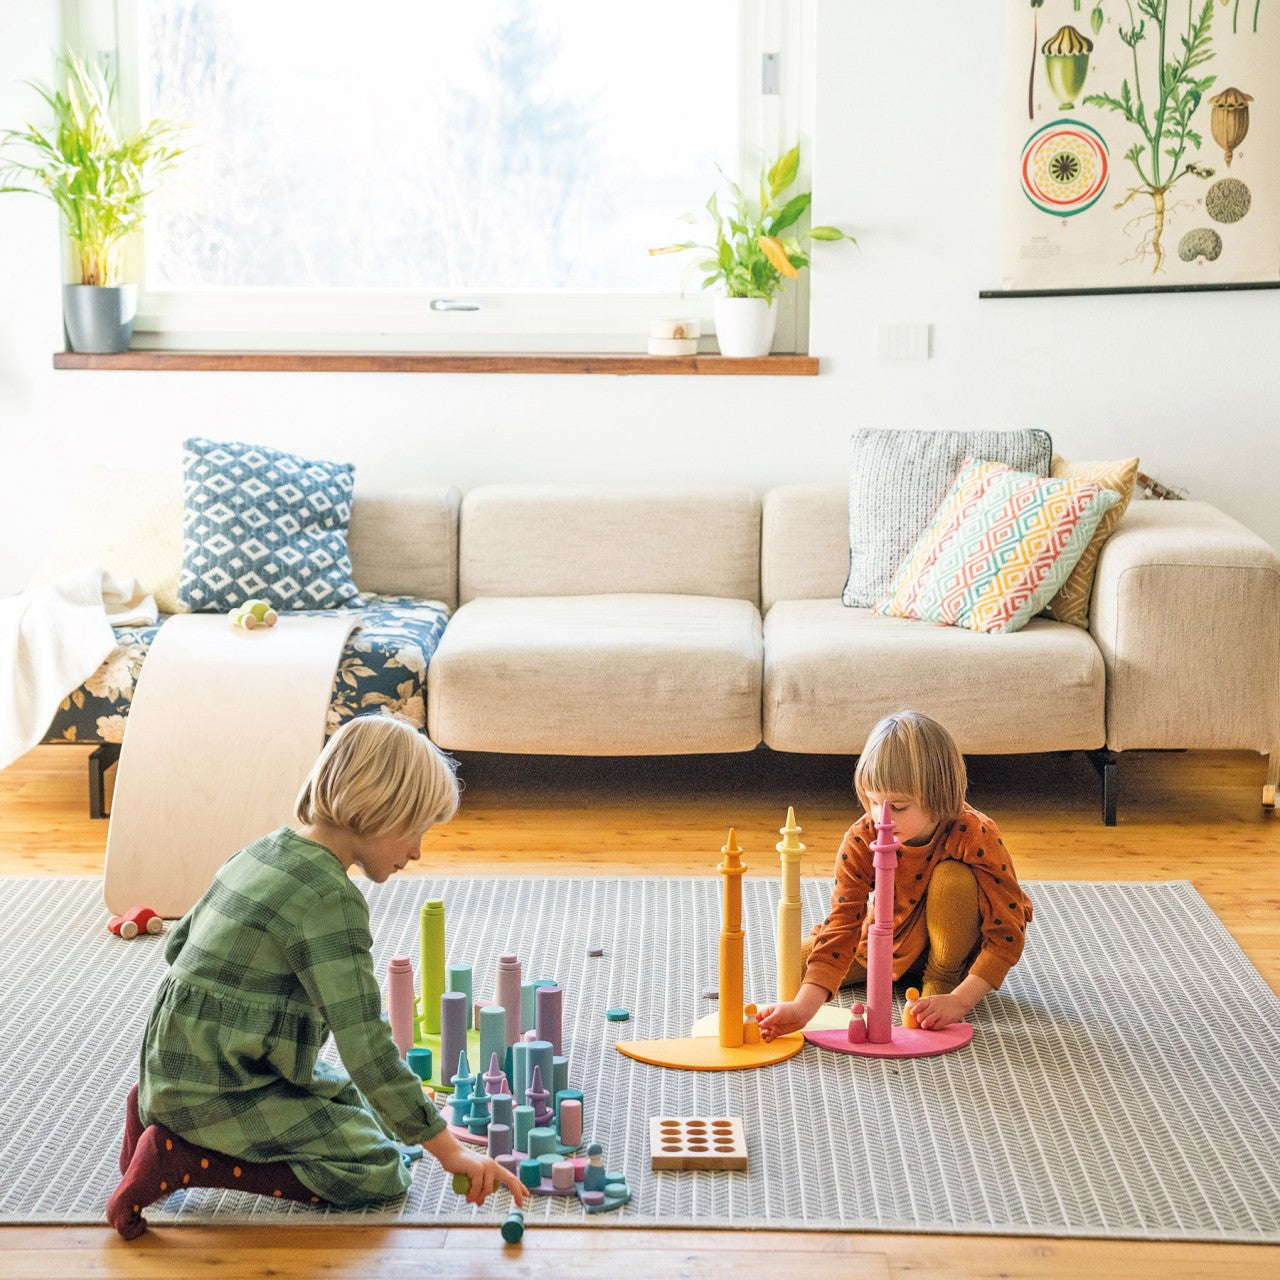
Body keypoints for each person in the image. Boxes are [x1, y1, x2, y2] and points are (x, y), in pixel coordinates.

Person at [107, 714, 526, 1239]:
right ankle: (182, 1157)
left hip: (173, 1066)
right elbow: (366, 1047)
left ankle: (156, 1112)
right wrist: (448, 1151)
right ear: (378, 809)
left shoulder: (261, 851)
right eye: (415, 831)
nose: (417, 852)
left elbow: (176, 946)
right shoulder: (331, 900)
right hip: (223, 1087)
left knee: (359, 1111)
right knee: (378, 1168)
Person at [758, 710, 1032, 1041]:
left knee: (952, 880)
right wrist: (803, 1007)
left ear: (938, 794)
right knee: (798, 968)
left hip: (953, 943)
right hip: (890, 941)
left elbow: (1008, 928)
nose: (881, 816)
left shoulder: (975, 833)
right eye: (873, 801)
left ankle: (941, 978)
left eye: (898, 806)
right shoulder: (862, 836)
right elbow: (843, 923)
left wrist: (960, 1000)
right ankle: (898, 977)